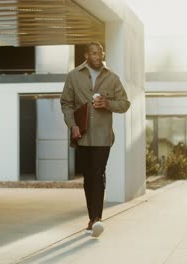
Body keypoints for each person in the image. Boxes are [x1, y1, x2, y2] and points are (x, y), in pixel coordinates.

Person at [60, 42, 130, 237]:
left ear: (103, 54)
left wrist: (107, 103)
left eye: (100, 53)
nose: (97, 56)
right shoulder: (74, 76)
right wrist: (72, 125)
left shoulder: (112, 78)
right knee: (89, 177)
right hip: (81, 135)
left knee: (98, 174)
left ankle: (96, 219)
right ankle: (93, 216)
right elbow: (66, 103)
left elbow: (125, 104)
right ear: (86, 55)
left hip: (102, 136)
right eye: (93, 53)